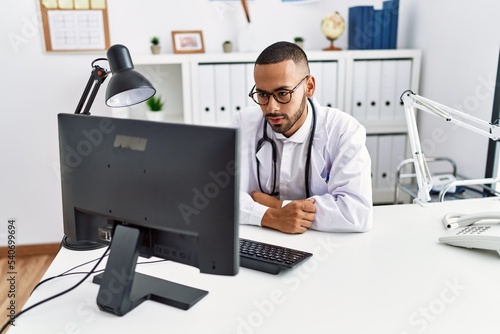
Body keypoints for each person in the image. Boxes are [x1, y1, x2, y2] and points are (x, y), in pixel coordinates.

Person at [232, 41, 373, 234]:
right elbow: (221, 196)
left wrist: (277, 205)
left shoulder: (343, 130)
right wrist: (271, 217)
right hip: (262, 238)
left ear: (309, 87)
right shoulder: (244, 123)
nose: (271, 107)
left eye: (283, 93)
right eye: (263, 94)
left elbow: (356, 212)